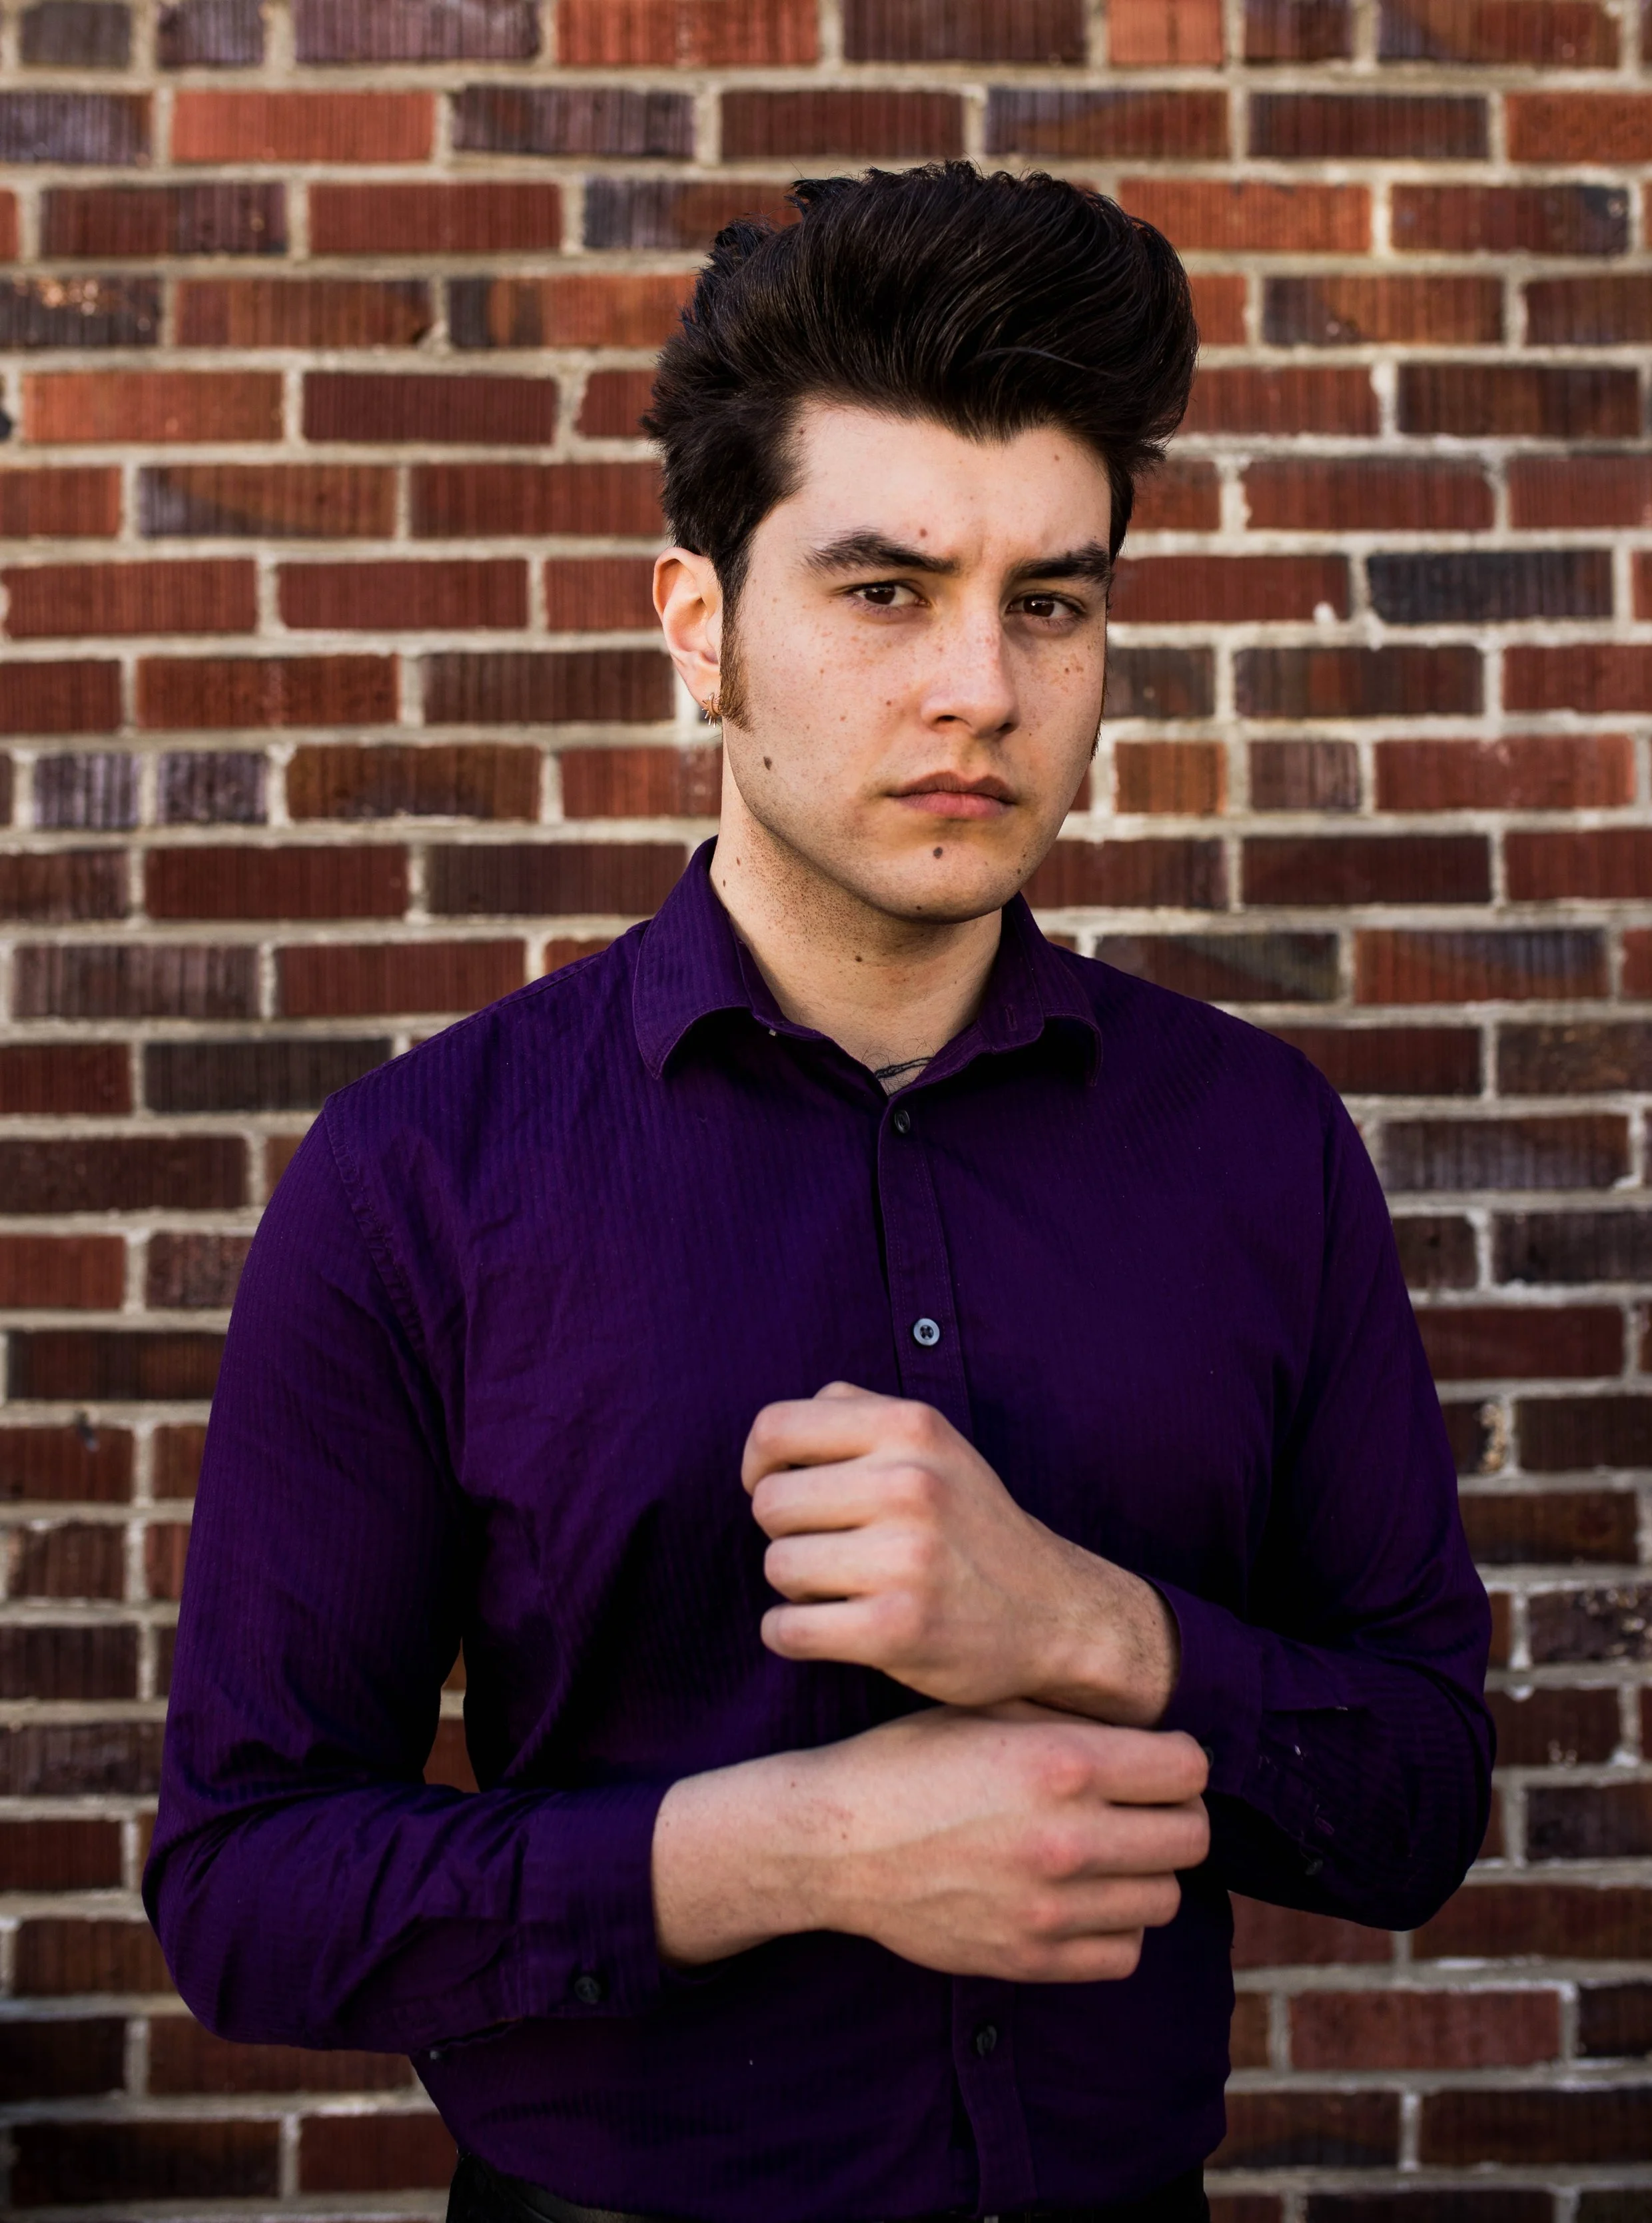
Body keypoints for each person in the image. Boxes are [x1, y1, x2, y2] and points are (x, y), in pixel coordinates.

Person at [146, 164, 1493, 2223]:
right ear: (702, 621)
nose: (980, 689)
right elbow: (247, 1894)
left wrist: (1090, 1628)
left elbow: (1413, 1804)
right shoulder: (423, 1180)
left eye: (1048, 601)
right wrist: (798, 1848)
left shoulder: (1253, 1148)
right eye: (884, 592)